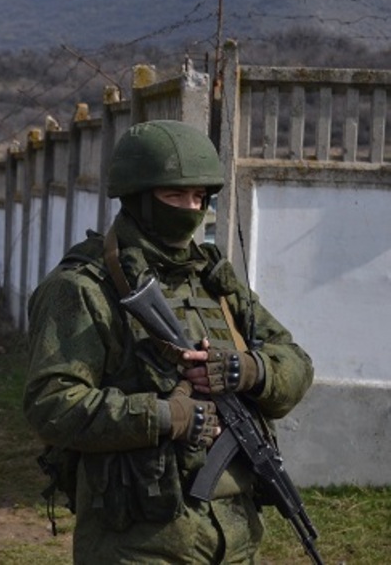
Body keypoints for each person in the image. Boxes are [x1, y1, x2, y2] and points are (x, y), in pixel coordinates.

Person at [23, 120, 314, 563]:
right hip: (141, 540)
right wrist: (165, 416)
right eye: (174, 196)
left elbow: (295, 362)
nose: (190, 208)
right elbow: (52, 404)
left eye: (199, 197)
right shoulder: (84, 287)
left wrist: (247, 370)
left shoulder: (214, 280)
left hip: (235, 536)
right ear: (138, 198)